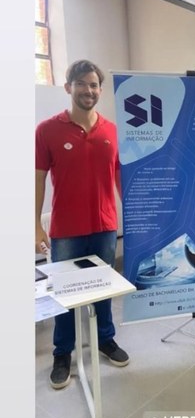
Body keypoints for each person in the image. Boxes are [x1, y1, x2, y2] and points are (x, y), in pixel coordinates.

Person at [35, 60, 129, 389]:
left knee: (103, 289)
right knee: (64, 294)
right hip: (66, 231)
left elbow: (119, 176)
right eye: (81, 84)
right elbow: (38, 179)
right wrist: (35, 225)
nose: (88, 90)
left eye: (93, 85)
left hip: (105, 227)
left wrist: (134, 216)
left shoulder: (112, 131)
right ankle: (63, 352)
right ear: (68, 87)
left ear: (100, 90)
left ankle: (105, 339)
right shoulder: (47, 130)